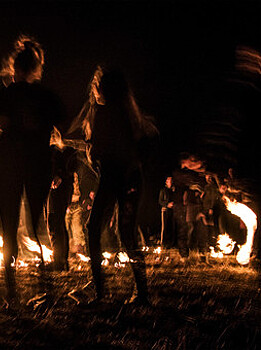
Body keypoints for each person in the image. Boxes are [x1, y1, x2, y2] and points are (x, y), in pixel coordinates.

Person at [0, 36, 66, 301]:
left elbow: (1, 122)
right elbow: (61, 131)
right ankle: (46, 286)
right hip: (39, 163)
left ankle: (11, 289)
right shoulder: (48, 97)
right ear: (36, 69)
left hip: (10, 162)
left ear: (16, 69)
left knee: (9, 225)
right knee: (37, 224)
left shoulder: (9, 92)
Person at [82, 66, 157, 305]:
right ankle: (142, 293)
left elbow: (99, 154)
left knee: (93, 229)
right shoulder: (132, 114)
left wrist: (90, 150)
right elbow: (142, 147)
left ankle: (100, 291)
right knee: (128, 235)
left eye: (99, 86)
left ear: (105, 89)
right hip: (132, 178)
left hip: (114, 177)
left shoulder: (103, 114)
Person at [48, 128, 78, 271]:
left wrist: (60, 175)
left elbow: (71, 169)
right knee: (54, 222)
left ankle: (60, 261)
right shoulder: (52, 151)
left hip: (61, 191)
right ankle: (59, 260)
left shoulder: (67, 151)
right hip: (53, 191)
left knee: (56, 222)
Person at [158, 176, 175, 248]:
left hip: (172, 211)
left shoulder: (173, 190)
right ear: (166, 182)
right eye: (169, 181)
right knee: (164, 227)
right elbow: (160, 201)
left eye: (171, 181)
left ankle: (171, 243)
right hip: (165, 210)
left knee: (172, 227)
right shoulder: (163, 190)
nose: (170, 182)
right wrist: (167, 204)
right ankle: (163, 243)